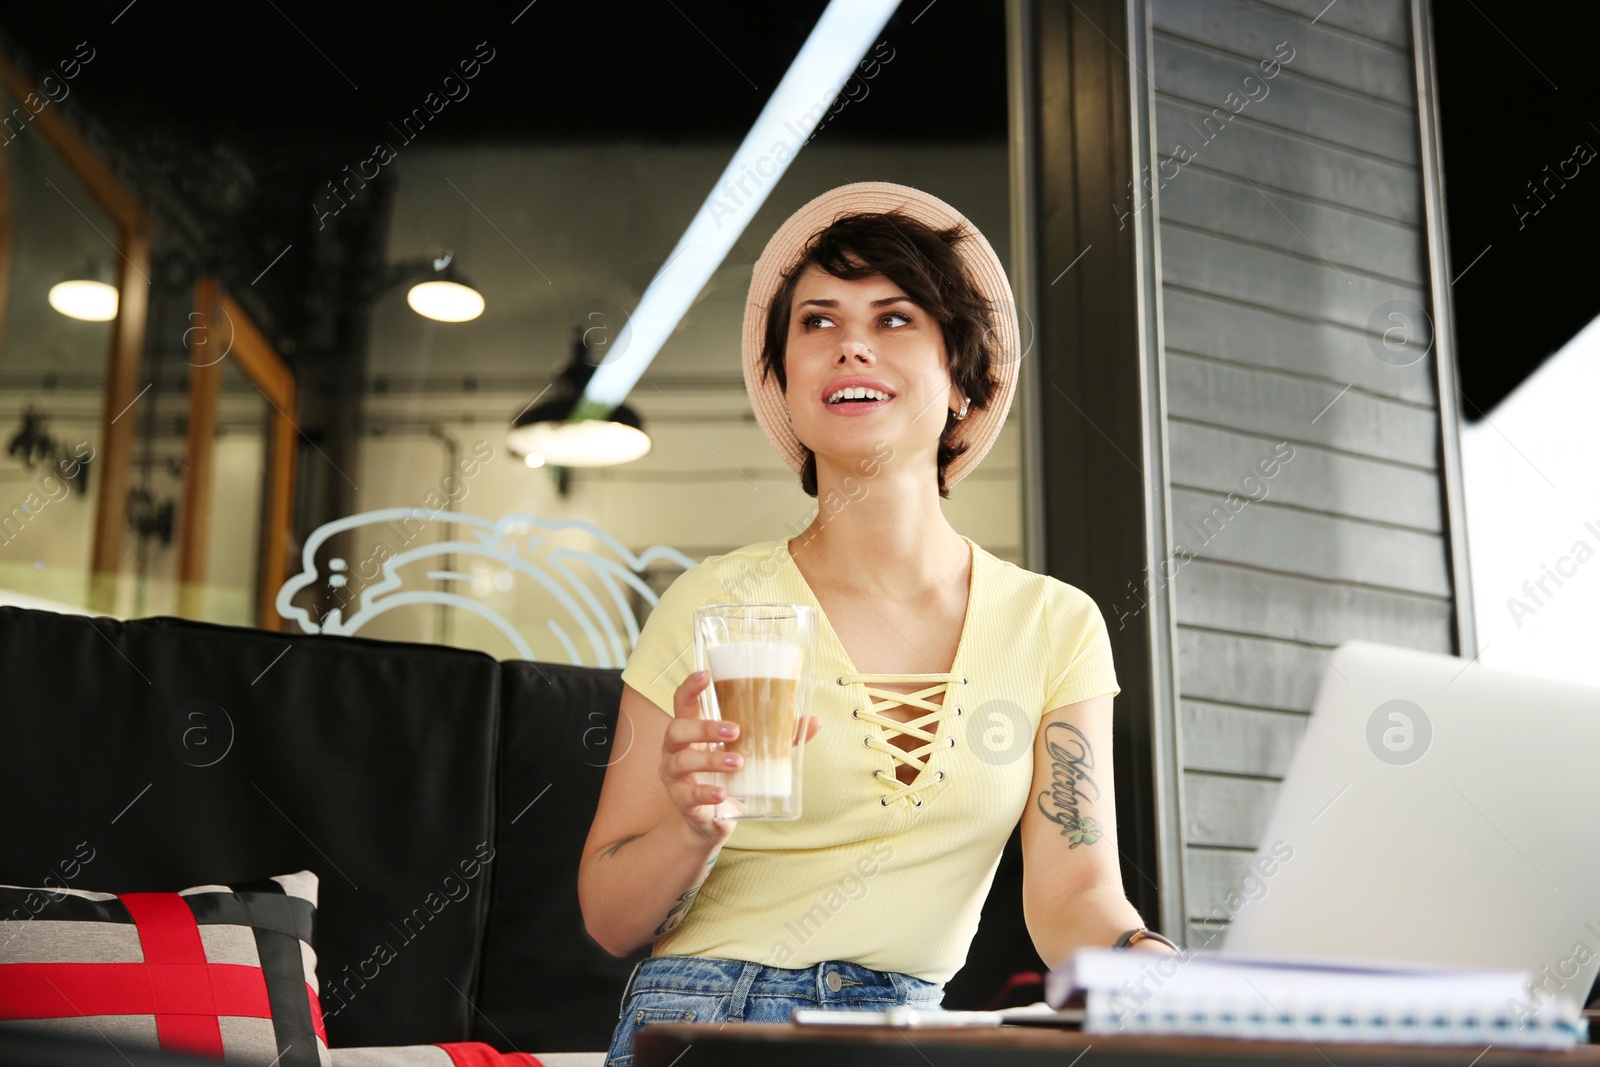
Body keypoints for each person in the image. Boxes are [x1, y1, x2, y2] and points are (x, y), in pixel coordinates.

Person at [578, 182, 1173, 1067]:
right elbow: (610, 917)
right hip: (705, 1017)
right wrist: (695, 826)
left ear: (963, 382)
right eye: (816, 322)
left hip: (907, 1033)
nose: (849, 342)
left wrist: (1151, 966)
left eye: (894, 318)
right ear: (788, 383)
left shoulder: (1056, 625)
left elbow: (1075, 891)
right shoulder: (714, 604)